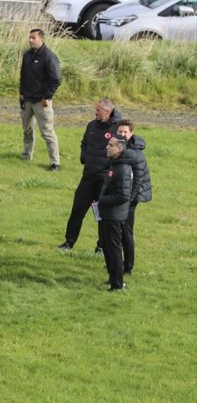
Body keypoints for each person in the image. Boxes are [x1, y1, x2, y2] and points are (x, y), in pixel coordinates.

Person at [58, 99, 122, 251]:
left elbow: (119, 151)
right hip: (88, 177)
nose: (95, 112)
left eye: (98, 110)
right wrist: (84, 157)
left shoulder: (116, 129)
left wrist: (108, 166)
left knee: (101, 215)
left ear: (107, 112)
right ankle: (69, 242)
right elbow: (84, 143)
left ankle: (101, 246)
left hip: (104, 180)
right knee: (77, 210)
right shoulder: (91, 126)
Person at [19, 28, 62, 171]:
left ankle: (55, 162)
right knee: (27, 130)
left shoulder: (49, 56)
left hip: (41, 101)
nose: (30, 40)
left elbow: (56, 79)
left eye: (34, 38)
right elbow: (23, 76)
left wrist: (47, 96)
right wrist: (21, 93)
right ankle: (26, 155)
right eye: (29, 37)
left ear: (41, 39)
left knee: (47, 132)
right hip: (27, 99)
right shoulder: (27, 55)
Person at [115, 120, 152, 276]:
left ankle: (128, 266)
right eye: (120, 131)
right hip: (123, 194)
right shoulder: (119, 146)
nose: (122, 134)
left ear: (131, 133)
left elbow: (138, 179)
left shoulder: (135, 152)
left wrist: (129, 200)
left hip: (131, 196)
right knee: (120, 230)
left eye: (125, 132)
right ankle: (120, 263)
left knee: (126, 231)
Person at [96, 138, 133, 291]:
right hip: (107, 214)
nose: (107, 147)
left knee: (114, 250)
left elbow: (123, 196)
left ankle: (117, 284)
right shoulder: (115, 165)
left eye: (111, 145)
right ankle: (113, 279)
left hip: (113, 216)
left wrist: (102, 200)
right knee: (108, 249)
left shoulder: (122, 169)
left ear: (119, 149)